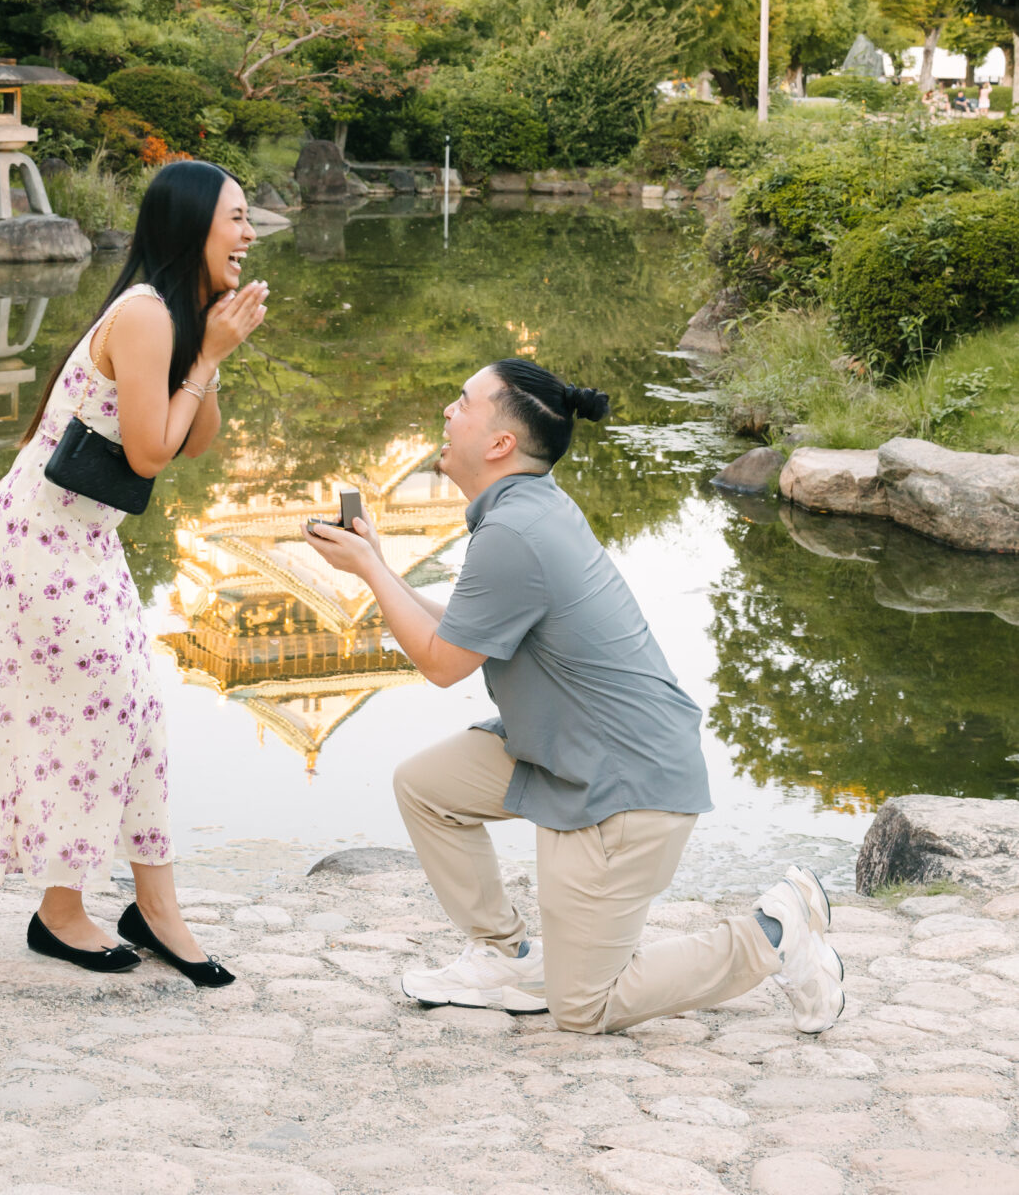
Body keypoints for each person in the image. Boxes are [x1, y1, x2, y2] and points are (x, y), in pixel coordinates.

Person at [304, 358, 844, 1035]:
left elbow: (442, 664)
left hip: (622, 781)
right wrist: (376, 566)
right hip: (567, 747)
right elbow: (464, 629)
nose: (447, 412)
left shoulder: (514, 532)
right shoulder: (525, 508)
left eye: (462, 404)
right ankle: (501, 958)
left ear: (500, 443)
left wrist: (366, 572)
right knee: (427, 785)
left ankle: (773, 930)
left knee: (583, 1006)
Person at [0, 161, 268, 987]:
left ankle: (152, 908)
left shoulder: (176, 318)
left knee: (134, 707)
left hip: (86, 540)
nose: (249, 234)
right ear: (192, 226)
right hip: (39, 541)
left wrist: (211, 351)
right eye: (236, 219)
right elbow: (149, 452)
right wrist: (203, 359)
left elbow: (194, 443)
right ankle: (59, 911)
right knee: (104, 706)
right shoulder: (142, 318)